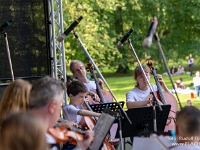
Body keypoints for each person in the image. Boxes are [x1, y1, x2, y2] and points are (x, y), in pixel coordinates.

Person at [29, 76, 94, 150]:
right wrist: (82, 146)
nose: (61, 108)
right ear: (52, 106)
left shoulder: (31, 126)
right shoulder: (39, 137)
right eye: (60, 105)